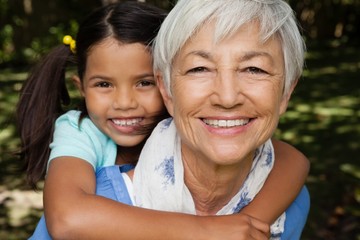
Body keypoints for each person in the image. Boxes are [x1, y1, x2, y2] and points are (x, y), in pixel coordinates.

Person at [16, 1, 309, 239]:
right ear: (169, 88)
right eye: (199, 69)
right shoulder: (81, 133)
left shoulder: (289, 203)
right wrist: (208, 231)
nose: (126, 104)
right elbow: (67, 217)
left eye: (254, 69)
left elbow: (293, 160)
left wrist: (250, 222)